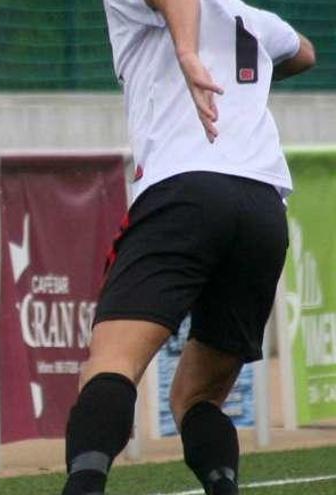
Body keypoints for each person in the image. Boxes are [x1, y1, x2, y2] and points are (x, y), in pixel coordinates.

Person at [61, 0, 315, 494]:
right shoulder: (252, 19)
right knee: (196, 396)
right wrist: (252, 74)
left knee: (110, 365)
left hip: (186, 191)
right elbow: (303, 52)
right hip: (262, 209)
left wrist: (188, 53)